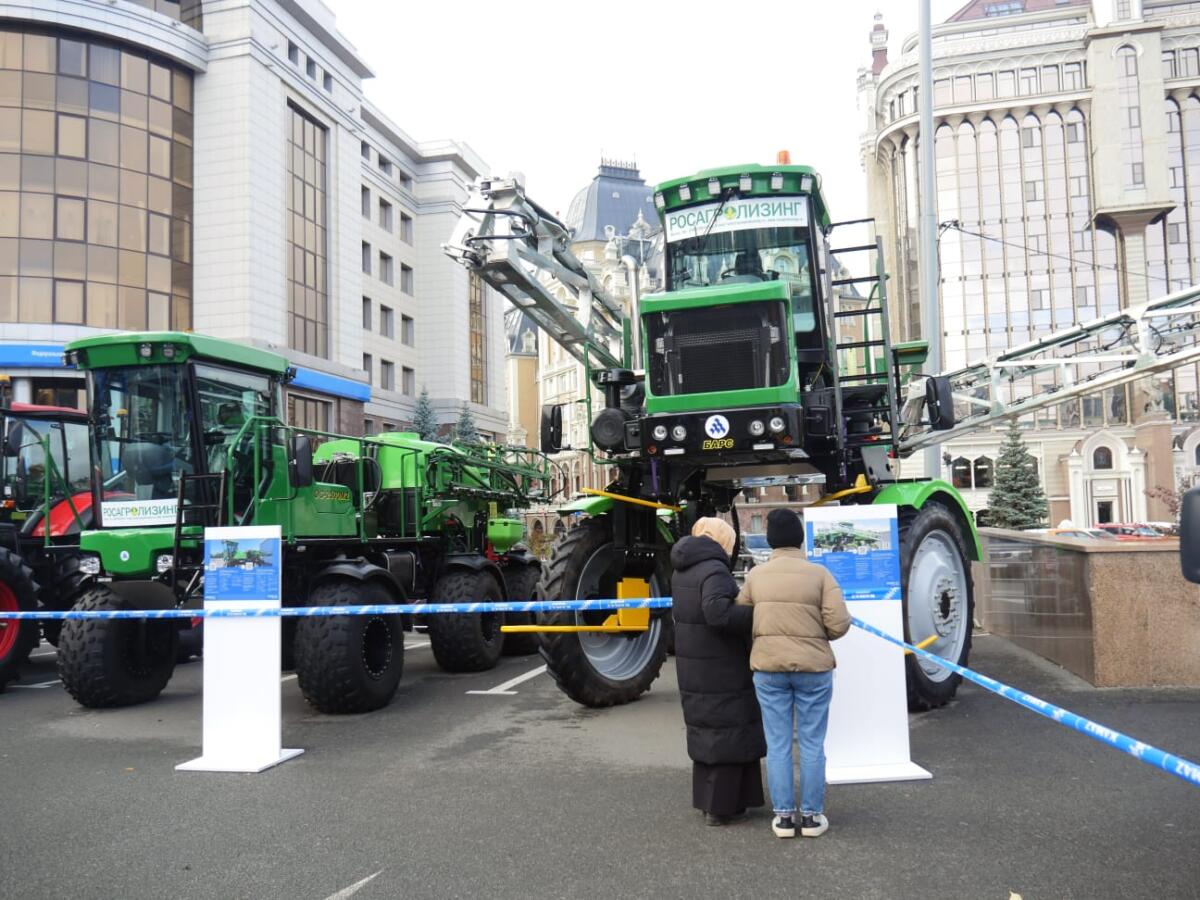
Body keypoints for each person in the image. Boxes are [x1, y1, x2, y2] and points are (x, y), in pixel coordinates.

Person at [737, 507, 851, 840]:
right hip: (814, 669)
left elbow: (741, 615)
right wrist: (818, 636)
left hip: (769, 668)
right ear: (800, 538)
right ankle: (813, 817)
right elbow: (839, 622)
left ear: (771, 540)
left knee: (778, 743)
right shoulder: (820, 576)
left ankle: (784, 818)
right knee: (813, 742)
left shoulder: (756, 576)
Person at [670, 517, 766, 826]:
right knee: (729, 729)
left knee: (708, 729)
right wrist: (756, 614)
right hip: (720, 663)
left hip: (694, 661)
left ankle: (711, 801)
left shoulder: (683, 567)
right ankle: (725, 807)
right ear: (722, 541)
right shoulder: (714, 569)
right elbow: (717, 613)